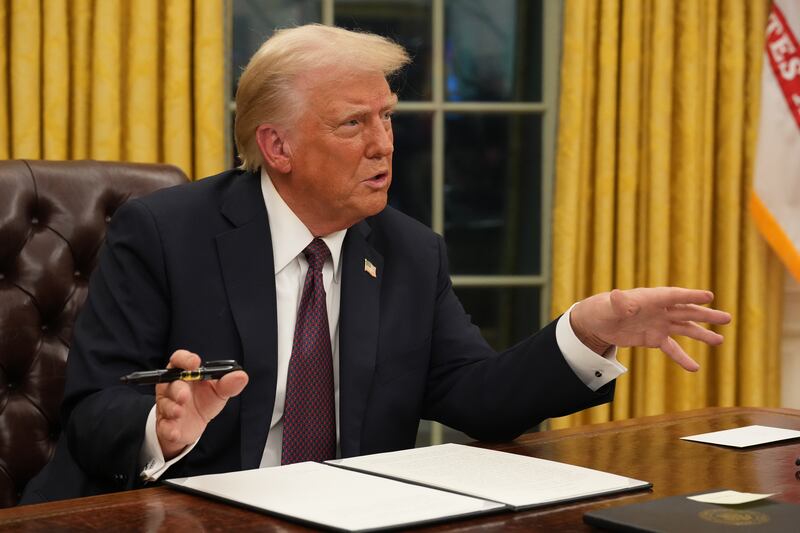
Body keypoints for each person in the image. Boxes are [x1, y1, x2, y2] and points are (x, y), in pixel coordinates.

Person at [22, 24, 730, 503]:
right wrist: (162, 428)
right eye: (353, 123)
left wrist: (586, 328)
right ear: (277, 146)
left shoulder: (408, 251)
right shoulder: (164, 231)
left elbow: (477, 397)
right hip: (169, 511)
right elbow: (92, 410)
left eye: (387, 117)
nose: (384, 143)